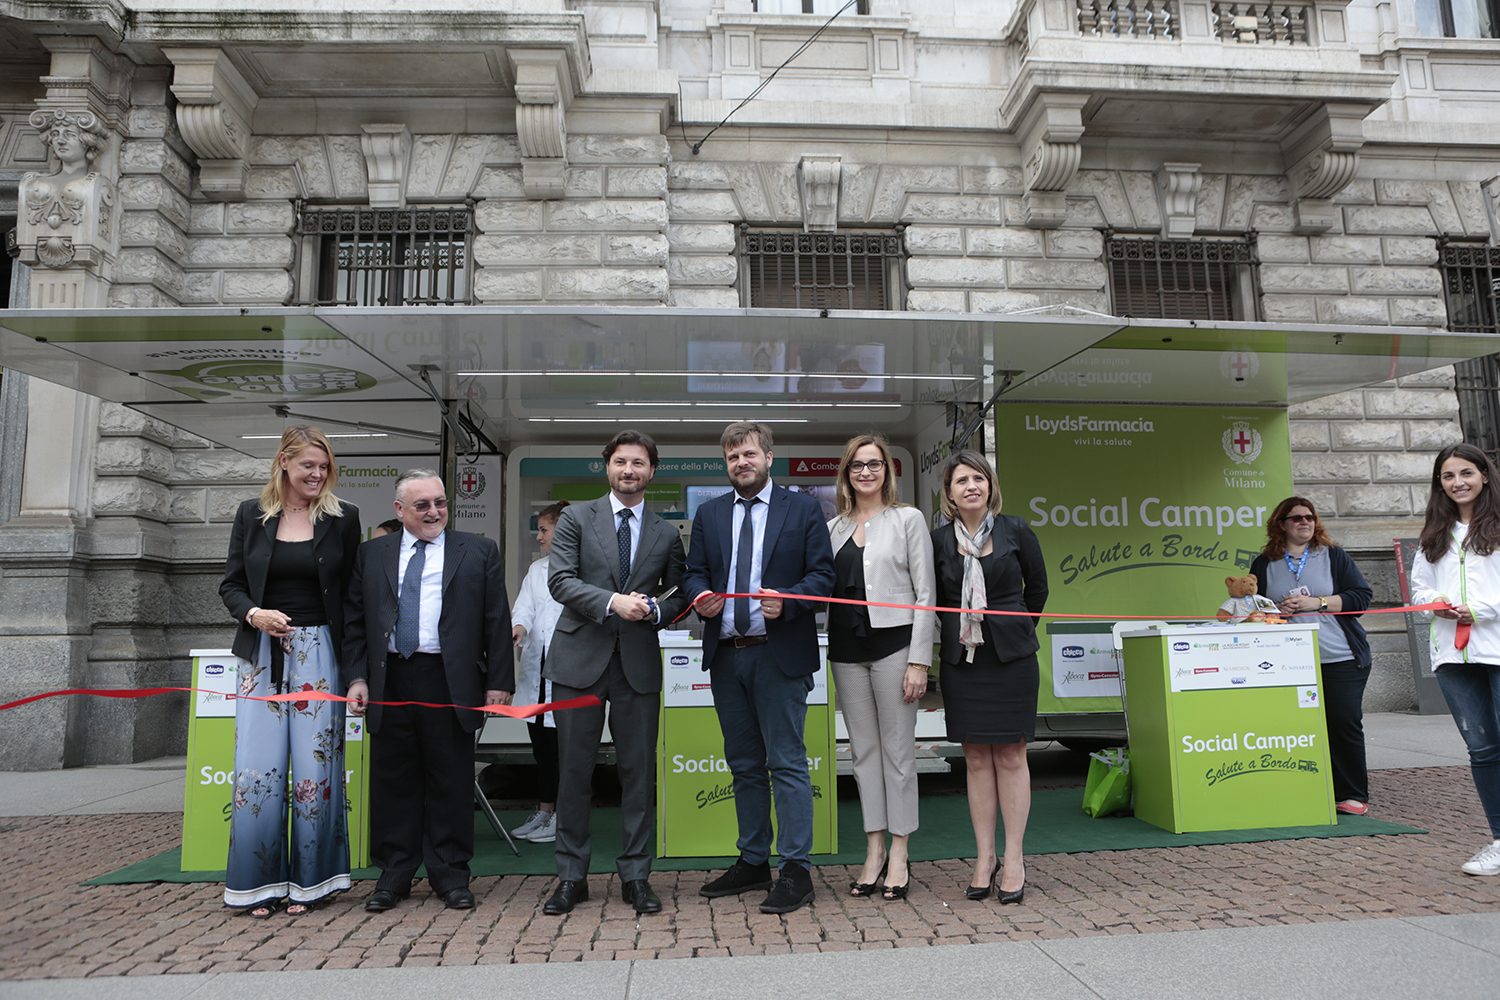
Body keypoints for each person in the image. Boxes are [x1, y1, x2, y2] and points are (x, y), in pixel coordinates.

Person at [343, 469, 513, 912]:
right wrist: (357, 677)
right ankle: (394, 874)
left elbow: (496, 620)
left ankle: (451, 874)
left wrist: (498, 683)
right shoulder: (371, 554)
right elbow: (356, 622)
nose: (435, 511)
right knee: (392, 780)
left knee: (450, 779)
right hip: (390, 679)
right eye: (423, 505)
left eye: (440, 502)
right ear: (400, 511)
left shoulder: (478, 551)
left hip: (450, 680)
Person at [687, 421, 835, 914]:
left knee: (787, 763)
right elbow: (694, 574)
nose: (741, 463)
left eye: (749, 454)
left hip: (779, 655)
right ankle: (753, 861)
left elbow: (824, 577)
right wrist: (699, 598)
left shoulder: (802, 508)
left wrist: (789, 601)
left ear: (769, 457)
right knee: (744, 765)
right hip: (727, 656)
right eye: (732, 457)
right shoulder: (709, 514)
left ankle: (796, 870)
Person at [218, 425, 362, 917]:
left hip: (321, 655)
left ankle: (313, 883)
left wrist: (358, 667)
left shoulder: (344, 519)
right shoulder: (250, 516)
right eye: (309, 466)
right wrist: (254, 614)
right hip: (261, 654)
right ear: (284, 462)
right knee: (258, 772)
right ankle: (257, 886)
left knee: (317, 772)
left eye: (324, 467)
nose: (318, 474)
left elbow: (352, 596)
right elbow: (231, 585)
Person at [543, 433, 688, 915]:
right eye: (621, 461)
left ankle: (636, 875)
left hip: (638, 666)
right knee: (573, 773)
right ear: (606, 466)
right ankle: (570, 876)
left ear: (652, 471)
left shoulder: (666, 533)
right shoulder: (576, 517)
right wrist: (612, 602)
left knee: (637, 773)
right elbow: (560, 581)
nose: (630, 470)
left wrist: (654, 612)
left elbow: (678, 593)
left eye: (639, 463)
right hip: (578, 661)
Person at [932, 450, 1046, 905]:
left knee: (1012, 756)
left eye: (978, 478)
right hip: (964, 661)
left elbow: (1037, 589)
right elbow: (935, 596)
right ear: (950, 493)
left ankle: (1014, 858)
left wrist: (1013, 628)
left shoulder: (1016, 530)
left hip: (1012, 659)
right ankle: (984, 857)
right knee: (976, 759)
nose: (971, 486)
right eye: (961, 480)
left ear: (990, 485)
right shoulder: (939, 540)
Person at [826, 435, 935, 901]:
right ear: (846, 473)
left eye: (874, 465)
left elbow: (927, 594)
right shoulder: (832, 527)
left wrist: (918, 661)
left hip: (895, 648)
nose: (866, 472)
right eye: (857, 465)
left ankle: (900, 852)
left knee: (898, 753)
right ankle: (873, 850)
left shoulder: (908, 519)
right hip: (846, 652)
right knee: (862, 754)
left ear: (887, 472)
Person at [1251, 496, 1374, 815]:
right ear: (1281, 524)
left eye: (1309, 517)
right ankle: (1308, 788)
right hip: (1286, 661)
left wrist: (1317, 603)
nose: (1305, 522)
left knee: (1343, 720)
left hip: (1339, 656)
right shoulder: (1264, 563)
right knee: (1296, 725)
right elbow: (1254, 609)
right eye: (1296, 518)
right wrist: (1277, 610)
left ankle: (1353, 795)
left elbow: (1361, 597)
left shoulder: (1332, 555)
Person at [1410, 443, 1500, 877]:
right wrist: (1437, 603)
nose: (1457, 482)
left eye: (1466, 473)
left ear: (1484, 474)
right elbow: (1419, 587)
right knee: (1482, 749)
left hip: (1497, 646)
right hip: (1453, 656)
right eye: (1448, 476)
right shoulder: (1435, 532)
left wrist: (1482, 610)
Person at [507, 501, 570, 846]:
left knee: (565, 749)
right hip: (538, 671)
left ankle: (564, 814)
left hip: (568, 672)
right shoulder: (537, 570)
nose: (540, 536)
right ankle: (545, 810)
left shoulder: (584, 568)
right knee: (542, 747)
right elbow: (525, 607)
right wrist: (518, 626)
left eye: (544, 529)